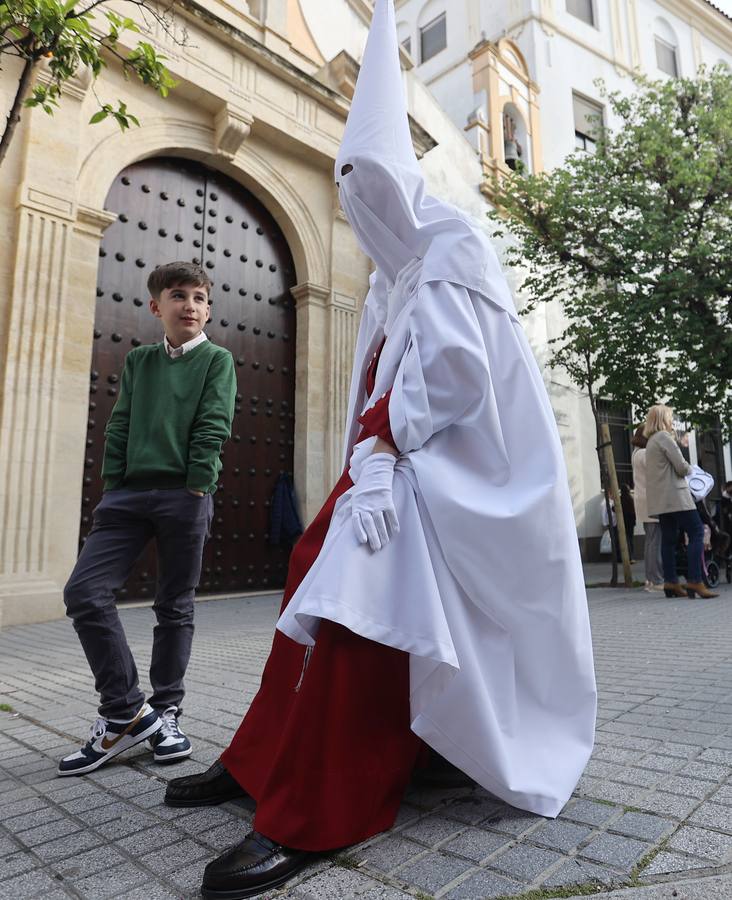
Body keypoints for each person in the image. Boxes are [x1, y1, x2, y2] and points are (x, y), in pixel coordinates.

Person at [164, 4, 597, 898]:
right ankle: (261, 759)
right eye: (346, 180)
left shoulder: (452, 247)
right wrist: (374, 457)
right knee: (312, 558)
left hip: (471, 481)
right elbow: (383, 382)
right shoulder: (392, 271)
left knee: (365, 592)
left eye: (368, 178)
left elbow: (454, 377)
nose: (356, 198)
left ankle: (320, 806)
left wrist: (382, 449)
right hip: (411, 467)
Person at [58, 262, 236, 776]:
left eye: (200, 297)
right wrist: (114, 484)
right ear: (157, 306)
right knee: (84, 593)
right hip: (127, 498)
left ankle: (167, 710)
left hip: (183, 495)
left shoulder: (217, 360)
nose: (191, 305)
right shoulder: (139, 361)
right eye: (178, 295)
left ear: (207, 308)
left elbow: (213, 425)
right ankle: (128, 713)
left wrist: (197, 485)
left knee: (174, 605)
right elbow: (120, 423)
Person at [643, 404, 717, 599]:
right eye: (670, 417)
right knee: (697, 531)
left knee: (668, 540)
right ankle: (695, 580)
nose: (672, 420)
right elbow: (681, 467)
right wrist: (692, 470)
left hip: (661, 499)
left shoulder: (650, 441)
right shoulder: (664, 438)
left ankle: (671, 582)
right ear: (663, 420)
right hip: (676, 496)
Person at [631, 426, 664, 591]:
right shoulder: (645, 454)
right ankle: (656, 580)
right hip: (652, 501)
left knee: (650, 541)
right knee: (655, 542)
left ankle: (650, 580)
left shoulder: (636, 453)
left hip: (643, 501)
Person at [601, 491, 621, 562]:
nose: (613, 495)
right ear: (608, 494)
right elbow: (604, 514)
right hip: (611, 524)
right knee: (614, 540)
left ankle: (618, 556)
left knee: (616, 540)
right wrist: (605, 523)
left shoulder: (611, 502)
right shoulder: (605, 503)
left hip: (614, 523)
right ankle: (616, 557)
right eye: (611, 494)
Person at [620, 484, 636, 561]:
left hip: (623, 521)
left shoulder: (620, 499)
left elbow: (614, 508)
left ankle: (625, 556)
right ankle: (631, 557)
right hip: (630, 522)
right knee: (630, 539)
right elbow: (634, 511)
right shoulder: (630, 499)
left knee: (625, 539)